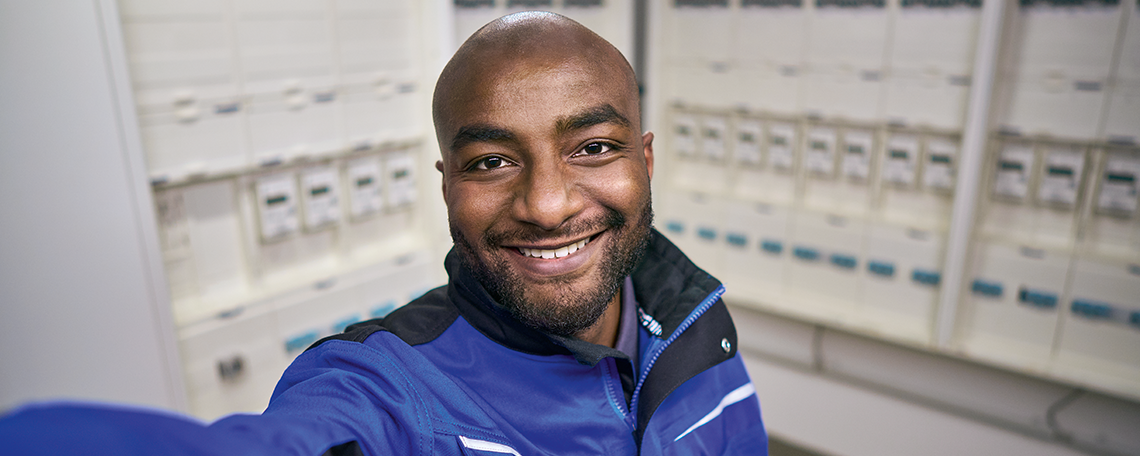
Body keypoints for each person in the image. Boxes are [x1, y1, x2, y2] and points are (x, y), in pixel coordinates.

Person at [0, 11, 767, 455]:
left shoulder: (700, 327)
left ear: (646, 158)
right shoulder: (389, 390)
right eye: (493, 160)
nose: (546, 203)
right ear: (447, 187)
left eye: (593, 148)